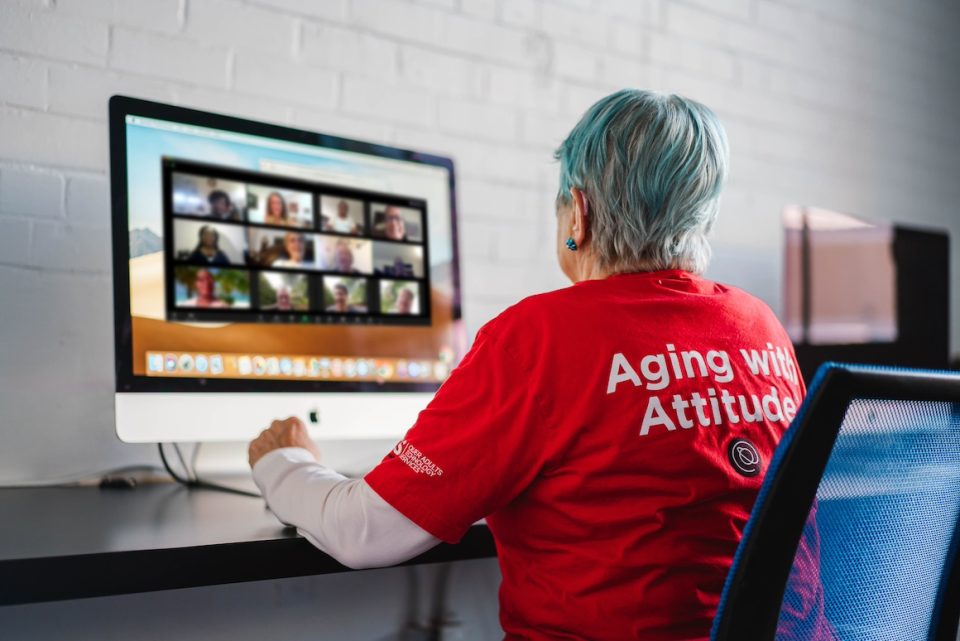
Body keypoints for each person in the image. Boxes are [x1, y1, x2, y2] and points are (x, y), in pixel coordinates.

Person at [247, 90, 835, 641]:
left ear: (577, 214)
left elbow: (361, 532)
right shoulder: (759, 324)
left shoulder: (540, 337)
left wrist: (285, 463)